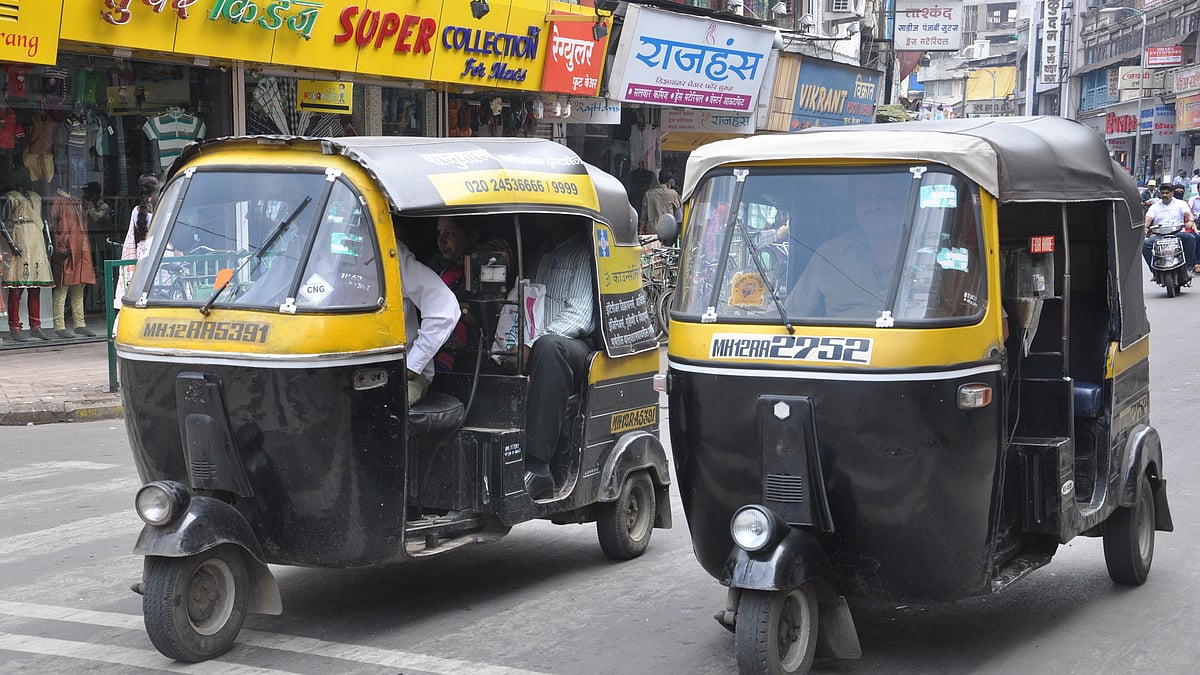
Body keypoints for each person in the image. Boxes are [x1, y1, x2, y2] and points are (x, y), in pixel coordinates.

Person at [520, 220, 595, 500]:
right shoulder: (536, 255)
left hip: (573, 346)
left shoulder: (582, 255)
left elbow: (579, 317)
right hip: (534, 343)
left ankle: (539, 468)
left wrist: (531, 345)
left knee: (549, 348)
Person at [785, 178, 910, 319]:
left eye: (886, 197)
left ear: (906, 204)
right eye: (865, 198)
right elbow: (792, 314)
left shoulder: (927, 251)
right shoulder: (829, 254)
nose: (873, 206)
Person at [396, 228, 461, 404]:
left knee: (379, 408)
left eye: (450, 233)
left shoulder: (388, 251)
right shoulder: (321, 246)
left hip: (401, 375)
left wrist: (412, 365)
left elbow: (444, 306)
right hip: (338, 371)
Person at [48, 187, 97, 338]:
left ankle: (80, 324)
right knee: (62, 288)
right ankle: (59, 325)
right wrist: (60, 247)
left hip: (80, 248)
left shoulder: (75, 200)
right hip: (68, 249)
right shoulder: (56, 200)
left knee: (78, 288)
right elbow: (52, 226)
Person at [115, 174, 160, 310]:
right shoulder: (160, 211)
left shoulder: (137, 211)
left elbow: (130, 239)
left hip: (140, 254)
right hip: (157, 252)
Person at [1143, 183, 1198, 275]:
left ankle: (1188, 267)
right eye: (1163, 193)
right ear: (1160, 194)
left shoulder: (1181, 203)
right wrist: (1145, 227)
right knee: (1145, 245)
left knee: (1191, 238)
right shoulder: (1155, 207)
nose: (1165, 195)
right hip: (1160, 235)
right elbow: (1148, 219)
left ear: (1172, 193)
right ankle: (1155, 271)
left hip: (1177, 233)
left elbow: (1188, 213)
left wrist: (1190, 221)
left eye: (1167, 193)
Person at [640, 170, 681, 236]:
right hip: (668, 232)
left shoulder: (648, 194)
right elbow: (679, 211)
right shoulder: (673, 194)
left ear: (659, 180)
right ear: (669, 182)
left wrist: (641, 232)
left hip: (652, 232)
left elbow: (643, 217)